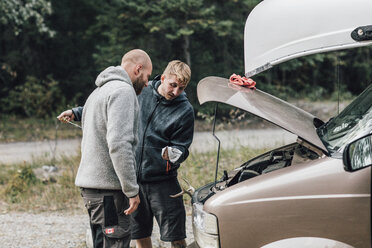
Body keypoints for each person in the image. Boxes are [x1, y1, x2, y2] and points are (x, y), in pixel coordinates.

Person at [60, 60, 194, 248]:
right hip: (134, 180)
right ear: (163, 78)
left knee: (176, 235)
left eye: (181, 88)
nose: (176, 92)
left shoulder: (185, 110)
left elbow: (183, 147)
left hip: (164, 181)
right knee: (139, 234)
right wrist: (77, 112)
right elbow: (108, 109)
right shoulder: (139, 91)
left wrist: (173, 154)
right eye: (173, 85)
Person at [57, 49, 152, 248]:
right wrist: (132, 190)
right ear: (138, 68)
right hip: (109, 193)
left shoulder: (98, 91)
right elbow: (119, 144)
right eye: (147, 76)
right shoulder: (123, 92)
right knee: (115, 243)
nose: (147, 82)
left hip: (92, 191)